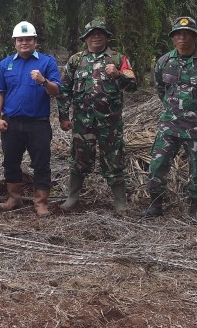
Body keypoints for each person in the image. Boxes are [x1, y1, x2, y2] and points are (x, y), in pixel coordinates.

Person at [142, 16, 197, 222]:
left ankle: (196, 209)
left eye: (187, 33)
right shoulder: (164, 62)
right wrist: (172, 110)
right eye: (178, 34)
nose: (182, 37)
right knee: (157, 164)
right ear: (173, 38)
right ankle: (155, 206)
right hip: (169, 125)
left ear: (195, 36)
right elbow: (161, 90)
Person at [57, 19, 137, 212]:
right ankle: (72, 197)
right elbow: (64, 89)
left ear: (106, 37)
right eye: (92, 34)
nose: (96, 36)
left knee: (114, 160)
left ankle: (120, 202)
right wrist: (63, 116)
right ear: (85, 38)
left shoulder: (118, 59)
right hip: (82, 122)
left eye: (100, 33)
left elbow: (133, 86)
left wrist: (118, 74)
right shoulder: (75, 60)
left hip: (110, 123)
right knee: (78, 159)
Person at [0, 21, 61, 215]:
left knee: (41, 162)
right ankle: (14, 198)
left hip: (38, 123)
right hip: (11, 123)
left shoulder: (47, 62)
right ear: (15, 42)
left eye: (28, 39)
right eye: (20, 39)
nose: (24, 43)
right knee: (11, 161)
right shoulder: (6, 64)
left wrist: (43, 81)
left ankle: (40, 202)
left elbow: (55, 91)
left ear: (35, 41)